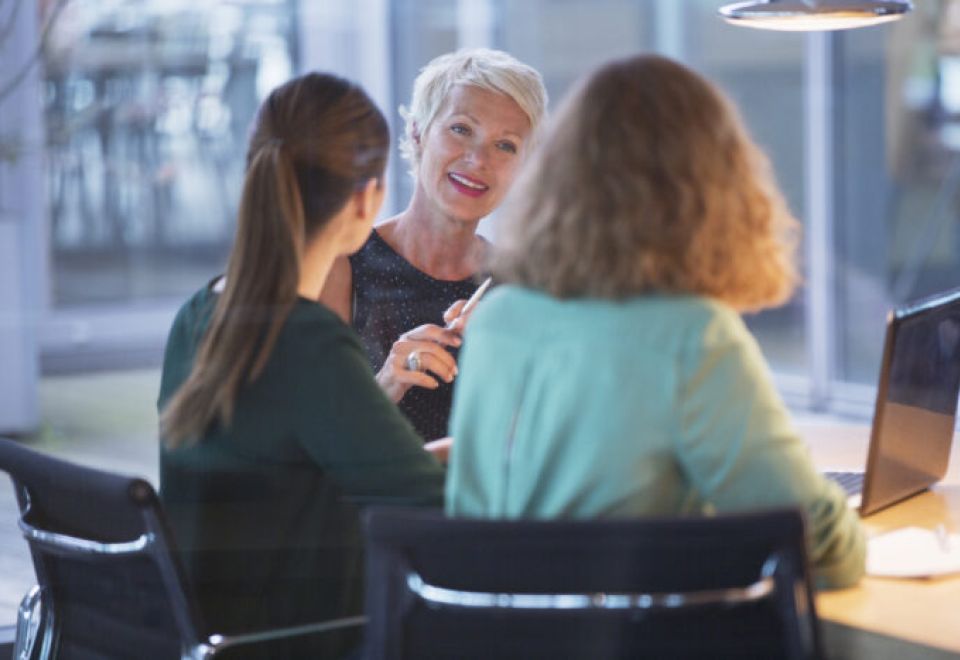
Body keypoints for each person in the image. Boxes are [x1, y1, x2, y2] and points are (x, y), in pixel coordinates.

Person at [446, 54, 866, 589]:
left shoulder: (497, 320)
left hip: (494, 627)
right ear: (712, 187)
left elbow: (474, 528)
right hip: (632, 628)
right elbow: (823, 549)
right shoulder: (691, 336)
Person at [157, 72, 445, 658]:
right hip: (306, 642)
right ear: (366, 200)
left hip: (213, 638)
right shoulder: (307, 342)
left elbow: (311, 467)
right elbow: (431, 509)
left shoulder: (196, 316)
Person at [320, 48, 547, 441]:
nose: (479, 159)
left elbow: (541, 437)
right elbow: (315, 441)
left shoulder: (521, 285)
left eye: (506, 145)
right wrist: (388, 382)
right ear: (417, 132)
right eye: (461, 129)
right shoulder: (343, 265)